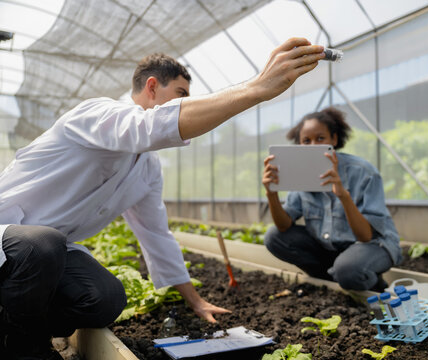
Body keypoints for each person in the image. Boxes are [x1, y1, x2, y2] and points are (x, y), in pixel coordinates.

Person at [0, 37, 325, 360]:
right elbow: (150, 126)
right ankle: (23, 349)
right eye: (180, 95)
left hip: (46, 257)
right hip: (11, 236)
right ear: (152, 87)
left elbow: (156, 234)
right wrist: (256, 88)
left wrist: (195, 300)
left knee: (106, 299)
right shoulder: (97, 115)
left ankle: (13, 321)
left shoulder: (147, 168)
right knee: (43, 244)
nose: (185, 104)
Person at [262, 107, 402, 293]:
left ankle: (373, 285)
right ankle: (330, 280)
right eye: (306, 141)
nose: (313, 146)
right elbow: (283, 226)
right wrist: (272, 193)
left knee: (348, 270)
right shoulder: (301, 175)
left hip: (373, 245)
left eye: (320, 138)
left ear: (334, 140)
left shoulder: (363, 172)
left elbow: (366, 236)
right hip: (332, 248)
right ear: (300, 146)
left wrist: (343, 195)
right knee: (274, 238)